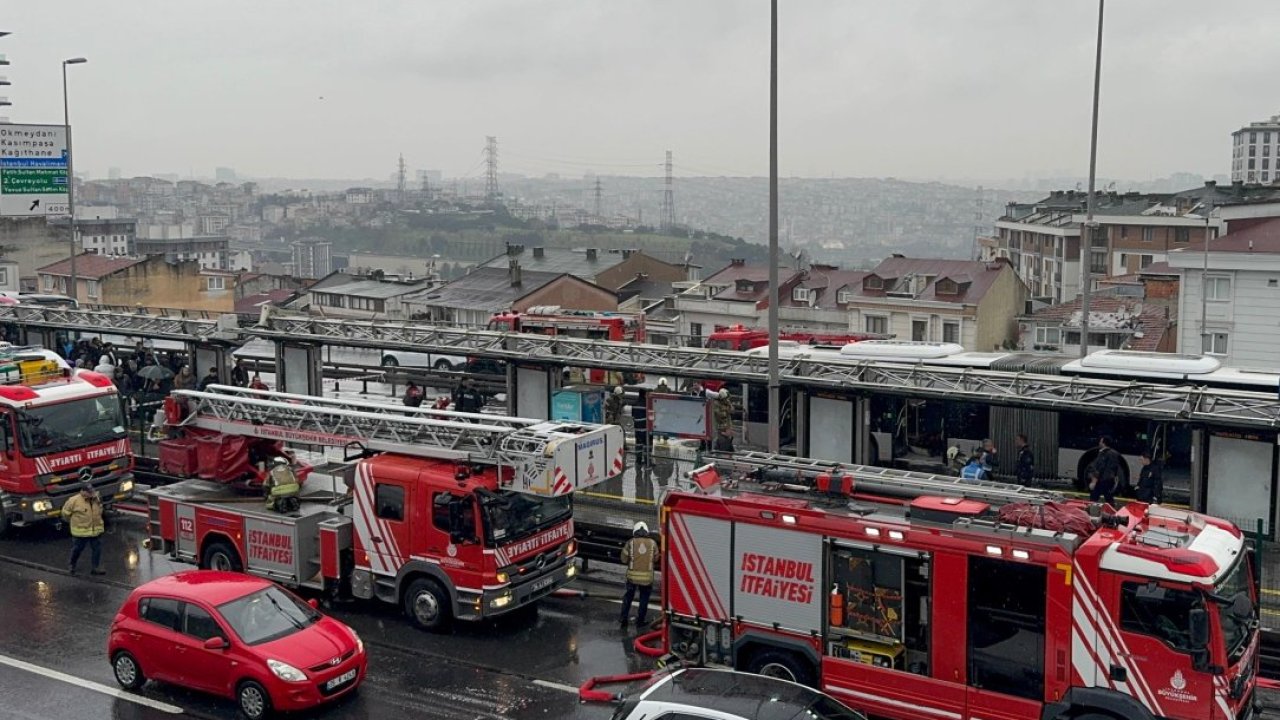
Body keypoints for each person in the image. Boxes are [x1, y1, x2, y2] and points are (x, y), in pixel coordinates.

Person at [619, 521, 658, 629]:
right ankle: (640, 621)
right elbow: (656, 558)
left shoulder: (630, 542)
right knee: (644, 599)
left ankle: (623, 619)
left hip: (632, 578)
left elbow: (623, 559)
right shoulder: (653, 543)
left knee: (628, 597)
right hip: (647, 579)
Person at [62, 483, 106, 575]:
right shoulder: (73, 501)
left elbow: (100, 511)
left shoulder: (97, 499)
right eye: (89, 492)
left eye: (92, 492)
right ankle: (72, 565)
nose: (92, 494)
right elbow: (65, 514)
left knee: (97, 549)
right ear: (83, 492)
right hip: (80, 532)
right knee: (77, 549)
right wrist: (74, 523)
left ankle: (95, 567)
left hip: (95, 531)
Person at [1089, 436, 1121, 505]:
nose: (1099, 443)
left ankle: (1092, 510)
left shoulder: (1103, 453)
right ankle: (1111, 509)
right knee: (1108, 496)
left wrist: (1094, 481)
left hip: (1102, 479)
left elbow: (1100, 467)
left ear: (1104, 443)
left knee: (1094, 496)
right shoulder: (1115, 453)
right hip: (1110, 479)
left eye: (1100, 441)